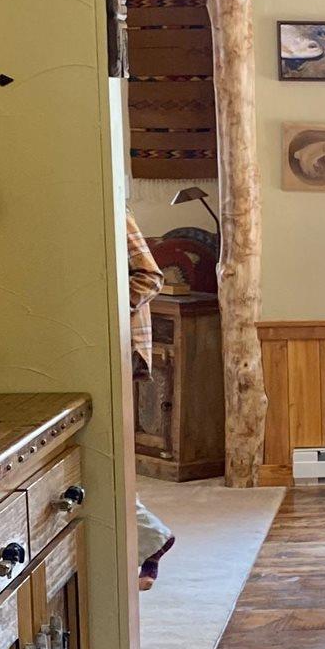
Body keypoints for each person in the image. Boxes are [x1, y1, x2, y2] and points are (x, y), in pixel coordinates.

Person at [126, 211, 176, 589]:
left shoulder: (112, 209)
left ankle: (149, 539)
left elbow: (149, 275)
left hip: (116, 345)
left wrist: (102, 311)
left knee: (106, 461)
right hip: (98, 344)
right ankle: (148, 541)